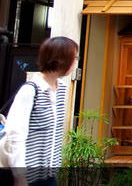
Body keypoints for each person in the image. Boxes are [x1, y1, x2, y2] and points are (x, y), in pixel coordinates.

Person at [4, 36, 79, 186]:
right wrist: (20, 176)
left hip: (49, 174)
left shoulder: (62, 89)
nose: (76, 61)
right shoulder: (30, 90)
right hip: (27, 177)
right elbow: (15, 134)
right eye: (75, 57)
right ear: (61, 59)